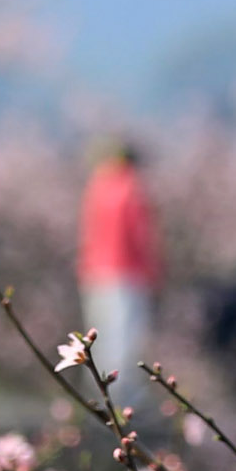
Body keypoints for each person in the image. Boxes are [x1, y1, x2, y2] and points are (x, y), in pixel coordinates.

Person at [77, 139, 161, 389]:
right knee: (125, 342)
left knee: (98, 341)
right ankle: (124, 398)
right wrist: (153, 270)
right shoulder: (132, 188)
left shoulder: (97, 185)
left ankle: (97, 395)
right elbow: (140, 235)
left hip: (95, 273)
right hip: (128, 274)